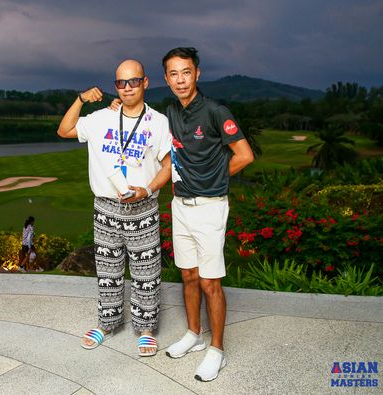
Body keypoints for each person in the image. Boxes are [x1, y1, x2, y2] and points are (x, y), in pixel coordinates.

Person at [57, 59, 172, 357]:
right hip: (106, 207)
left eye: (133, 81)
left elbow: (169, 163)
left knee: (146, 273)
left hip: (143, 207)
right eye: (121, 83)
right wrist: (81, 99)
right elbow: (65, 130)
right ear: (115, 86)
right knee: (108, 271)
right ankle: (107, 324)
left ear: (145, 82)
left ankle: (145, 329)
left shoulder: (158, 121)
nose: (127, 88)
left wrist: (147, 189)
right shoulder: (101, 117)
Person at [162, 47, 254, 382]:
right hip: (181, 206)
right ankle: (193, 334)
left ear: (197, 74)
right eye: (174, 73)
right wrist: (116, 104)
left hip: (211, 207)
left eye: (186, 72)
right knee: (187, 276)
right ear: (166, 79)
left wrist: (216, 179)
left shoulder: (216, 111)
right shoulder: (170, 112)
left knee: (209, 281)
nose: (180, 79)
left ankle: (217, 350)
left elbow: (244, 155)